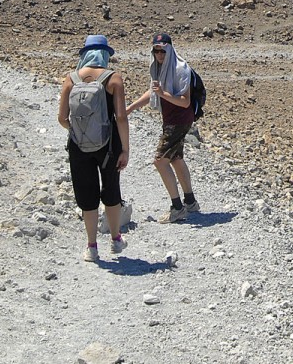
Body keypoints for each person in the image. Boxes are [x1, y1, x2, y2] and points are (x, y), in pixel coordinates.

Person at [58, 34, 130, 262]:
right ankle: (116, 239)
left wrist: (77, 132)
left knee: (86, 195)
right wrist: (125, 149)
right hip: (109, 145)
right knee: (111, 190)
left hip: (78, 145)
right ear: (105, 54)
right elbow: (120, 117)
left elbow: (61, 118)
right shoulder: (113, 78)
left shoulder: (70, 79)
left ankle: (91, 247)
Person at [127, 32, 199, 223]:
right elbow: (153, 91)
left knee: (160, 161)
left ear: (170, 49)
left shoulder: (180, 69)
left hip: (179, 119)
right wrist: (131, 108)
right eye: (156, 51)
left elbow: (184, 102)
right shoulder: (160, 68)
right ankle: (190, 202)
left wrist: (164, 94)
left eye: (163, 51)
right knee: (175, 158)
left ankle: (177, 207)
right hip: (171, 119)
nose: (159, 55)